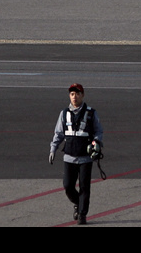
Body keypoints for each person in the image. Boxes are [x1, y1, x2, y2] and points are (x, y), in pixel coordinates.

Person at [49, 83, 102, 224]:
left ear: (82, 95)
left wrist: (96, 142)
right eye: (72, 94)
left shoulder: (91, 113)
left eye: (77, 93)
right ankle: (78, 203)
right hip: (69, 157)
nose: (74, 96)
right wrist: (53, 149)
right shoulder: (64, 113)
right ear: (69, 96)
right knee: (68, 186)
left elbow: (98, 131)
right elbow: (59, 133)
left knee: (84, 187)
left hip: (85, 158)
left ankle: (82, 215)